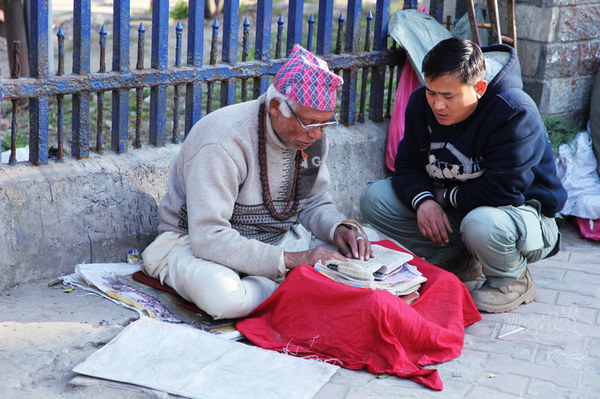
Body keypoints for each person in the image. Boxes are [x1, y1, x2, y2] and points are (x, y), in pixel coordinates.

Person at [142, 44, 373, 320]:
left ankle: (285, 284)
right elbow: (208, 237)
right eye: (310, 123)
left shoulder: (310, 137)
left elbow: (314, 202)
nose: (318, 135)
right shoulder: (224, 141)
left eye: (325, 124)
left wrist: (339, 228)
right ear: (276, 106)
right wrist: (293, 261)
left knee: (366, 250)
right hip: (193, 246)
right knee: (224, 297)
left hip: (278, 242)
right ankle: (295, 284)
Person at [360, 37, 567, 313]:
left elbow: (503, 191)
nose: (437, 105)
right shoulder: (420, 103)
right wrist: (424, 202)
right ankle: (459, 260)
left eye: (448, 96)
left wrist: (444, 197)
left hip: (523, 216)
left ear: (479, 88)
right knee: (374, 198)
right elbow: (407, 166)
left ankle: (512, 280)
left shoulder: (514, 110)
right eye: (432, 92)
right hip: (462, 211)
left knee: (480, 223)